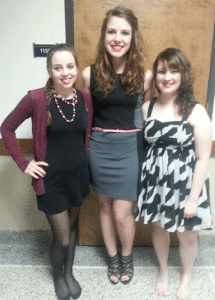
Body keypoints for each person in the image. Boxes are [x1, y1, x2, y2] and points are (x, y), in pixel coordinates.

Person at [1, 43, 93, 300]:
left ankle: (69, 272)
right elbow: (6, 128)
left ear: (76, 67)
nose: (65, 72)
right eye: (58, 67)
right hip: (50, 181)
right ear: (49, 70)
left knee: (73, 229)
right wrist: (24, 163)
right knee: (62, 238)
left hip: (77, 178)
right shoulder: (36, 98)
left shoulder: (84, 99)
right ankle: (58, 275)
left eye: (70, 66)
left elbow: (86, 137)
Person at [82, 6, 152, 285]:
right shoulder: (88, 74)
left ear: (133, 37)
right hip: (100, 147)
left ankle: (127, 255)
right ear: (104, 35)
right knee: (104, 206)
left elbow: (148, 118)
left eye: (124, 32)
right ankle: (113, 258)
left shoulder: (145, 76)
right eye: (112, 31)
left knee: (123, 213)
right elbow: (85, 118)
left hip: (131, 149)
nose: (118, 38)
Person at [136, 47, 213, 299]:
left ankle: (186, 276)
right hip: (156, 182)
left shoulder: (196, 110)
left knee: (187, 235)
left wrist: (192, 198)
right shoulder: (147, 108)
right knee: (159, 229)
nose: (166, 77)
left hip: (185, 184)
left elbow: (202, 158)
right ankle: (163, 271)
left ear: (183, 75)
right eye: (161, 71)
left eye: (173, 71)